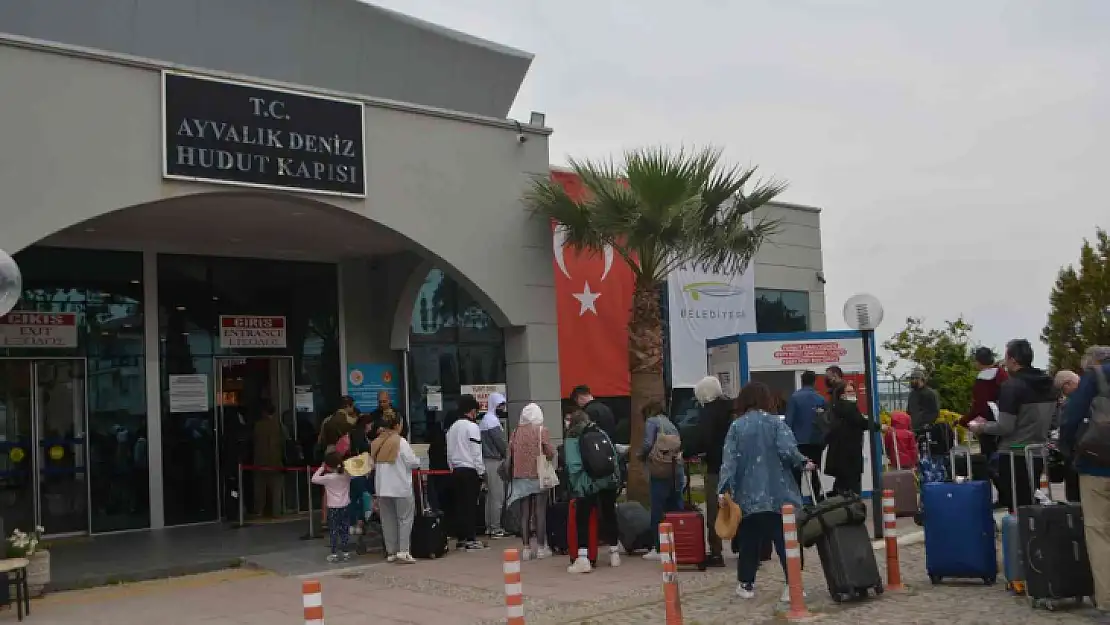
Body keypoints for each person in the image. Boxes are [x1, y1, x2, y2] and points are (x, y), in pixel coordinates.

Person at [718, 381, 814, 601]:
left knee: (749, 541)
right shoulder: (776, 424)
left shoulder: (736, 427)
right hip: (779, 494)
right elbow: (788, 451)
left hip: (748, 496)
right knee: (785, 540)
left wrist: (724, 489)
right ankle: (792, 585)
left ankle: (746, 584)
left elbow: (729, 461)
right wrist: (803, 462)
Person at [970, 339, 1054, 509]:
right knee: (1032, 504)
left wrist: (981, 427)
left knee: (1017, 508)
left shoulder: (1012, 386)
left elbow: (1005, 427)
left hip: (1014, 453)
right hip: (1037, 452)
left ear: (1013, 360)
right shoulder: (1048, 383)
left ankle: (1020, 535)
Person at [1060, 346, 1110, 620]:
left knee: (1099, 532)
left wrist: (1070, 451)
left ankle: (1107, 602)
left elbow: (1071, 418)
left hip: (1096, 466)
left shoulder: (1093, 377)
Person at [564, 408, 622, 573]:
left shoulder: (572, 437)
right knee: (609, 513)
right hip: (608, 480)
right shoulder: (600, 432)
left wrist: (578, 485)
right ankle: (614, 553)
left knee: (582, 518)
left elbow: (574, 466)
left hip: (587, 484)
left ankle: (583, 558)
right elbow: (613, 457)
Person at [506, 402, 556, 561]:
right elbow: (549, 452)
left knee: (524, 513)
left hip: (520, 476)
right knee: (540, 512)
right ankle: (541, 548)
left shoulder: (515, 432)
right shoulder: (542, 431)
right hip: (538, 475)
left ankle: (526, 548)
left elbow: (510, 452)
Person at [823, 368, 883, 497]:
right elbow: (860, 421)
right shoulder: (847, 407)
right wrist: (879, 426)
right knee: (852, 484)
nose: (852, 393)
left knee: (841, 484)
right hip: (849, 451)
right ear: (842, 394)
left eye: (852, 391)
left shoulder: (837, 406)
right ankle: (853, 508)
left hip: (840, 452)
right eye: (849, 391)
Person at [693, 375, 733, 567]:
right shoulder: (732, 407)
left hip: (716, 466)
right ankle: (746, 548)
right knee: (738, 508)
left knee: (715, 510)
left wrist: (689, 451)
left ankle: (716, 553)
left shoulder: (709, 412)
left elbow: (704, 438)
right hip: (736, 466)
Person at [372, 410, 421, 564]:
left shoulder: (376, 442)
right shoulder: (400, 442)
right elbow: (412, 462)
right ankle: (404, 551)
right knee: (405, 519)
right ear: (398, 425)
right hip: (400, 487)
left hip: (382, 487)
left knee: (388, 520)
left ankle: (391, 552)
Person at [639, 400, 684, 561]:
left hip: (660, 470)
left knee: (658, 508)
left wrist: (640, 456)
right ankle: (679, 542)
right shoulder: (670, 423)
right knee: (676, 506)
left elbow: (647, 444)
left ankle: (658, 547)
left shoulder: (652, 421)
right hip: (676, 469)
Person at [447, 394, 487, 551]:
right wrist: (481, 472)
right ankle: (471, 538)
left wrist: (451, 467)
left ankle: (461, 538)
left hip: (456, 470)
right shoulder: (472, 427)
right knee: (471, 505)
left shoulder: (452, 428)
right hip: (470, 470)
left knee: (460, 505)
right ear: (471, 411)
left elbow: (449, 452)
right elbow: (476, 451)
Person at [784, 370, 828, 499]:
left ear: (802, 382)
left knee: (797, 474)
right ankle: (816, 500)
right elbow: (825, 423)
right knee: (816, 472)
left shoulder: (794, 398)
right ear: (814, 382)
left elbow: (789, 422)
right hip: (816, 441)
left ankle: (798, 500)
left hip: (798, 443)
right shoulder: (821, 399)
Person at [959, 347, 1009, 458]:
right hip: (1007, 418)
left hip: (989, 421)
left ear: (979, 362)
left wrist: (964, 420)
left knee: (989, 456)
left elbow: (980, 407)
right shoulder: (1002, 374)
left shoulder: (983, 380)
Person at [479, 392, 510, 539]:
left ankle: (490, 526)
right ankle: (496, 528)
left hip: (487, 460)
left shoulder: (486, 420)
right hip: (494, 461)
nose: (502, 407)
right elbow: (500, 443)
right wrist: (508, 455)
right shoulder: (492, 421)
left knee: (491, 496)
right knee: (497, 496)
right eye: (500, 405)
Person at [312, 451, 352, 562]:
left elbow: (314, 479)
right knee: (344, 530)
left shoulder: (328, 478)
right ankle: (345, 552)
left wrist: (321, 467)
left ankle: (334, 553)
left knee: (333, 530)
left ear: (328, 465)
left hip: (333, 507)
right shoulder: (346, 475)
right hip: (345, 506)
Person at [252, 401, 284, 517]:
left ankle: (259, 510)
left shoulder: (258, 425)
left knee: (260, 488)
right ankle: (277, 511)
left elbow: (254, 441)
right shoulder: (278, 425)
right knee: (276, 489)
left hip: (260, 461)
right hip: (275, 461)